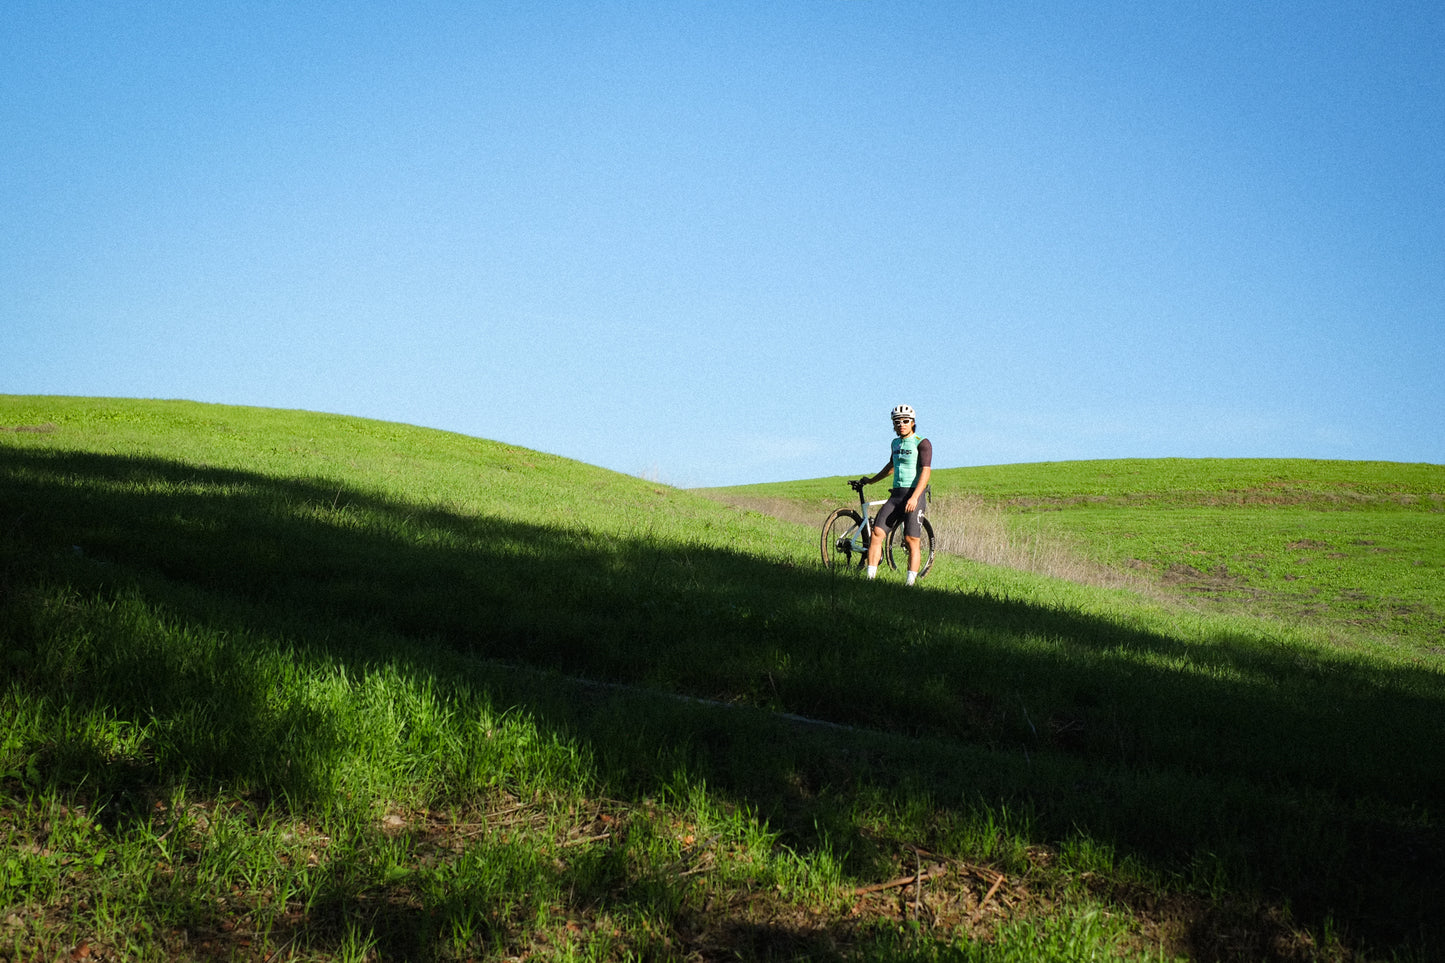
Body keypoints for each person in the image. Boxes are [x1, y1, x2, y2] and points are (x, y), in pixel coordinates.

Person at [857, 404, 932, 584]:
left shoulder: (922, 443)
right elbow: (891, 467)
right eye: (897, 421)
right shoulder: (895, 443)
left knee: (910, 539)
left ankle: (909, 584)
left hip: (914, 494)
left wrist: (915, 497)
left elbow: (926, 471)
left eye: (906, 421)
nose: (902, 424)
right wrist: (872, 481)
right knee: (877, 533)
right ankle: (870, 579)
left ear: (913, 423)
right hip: (896, 495)